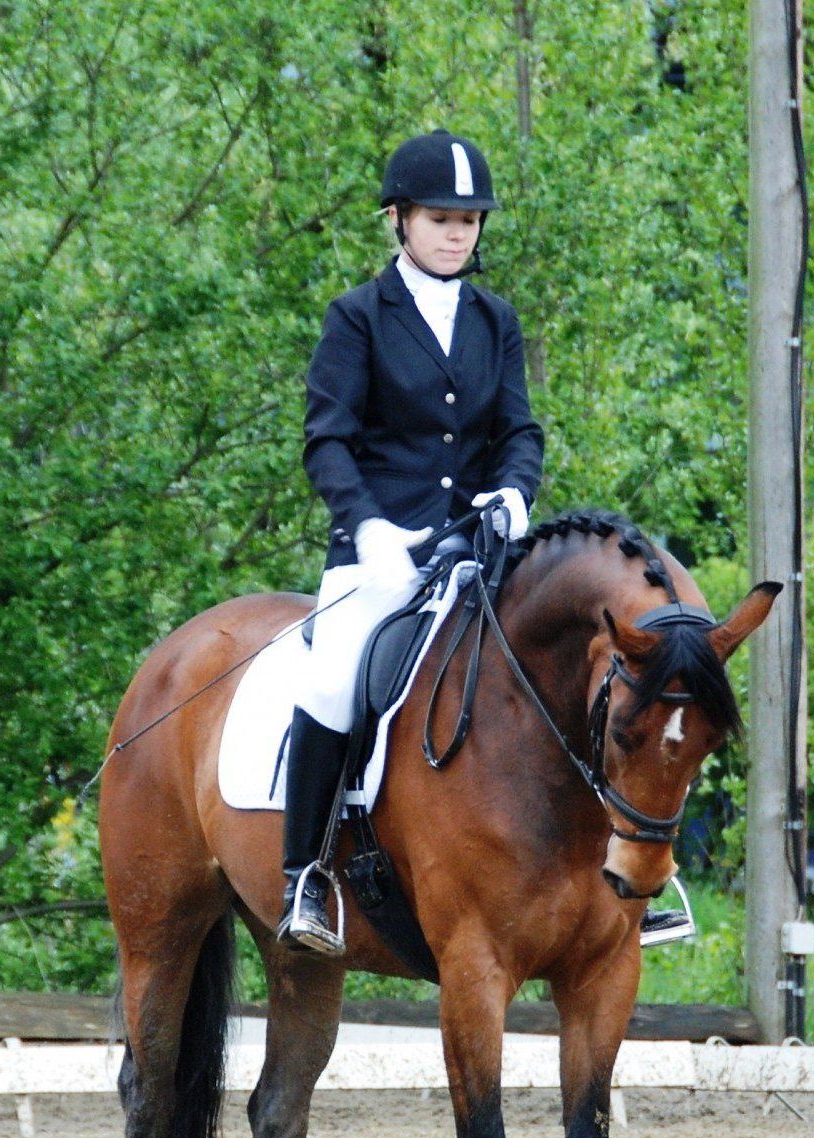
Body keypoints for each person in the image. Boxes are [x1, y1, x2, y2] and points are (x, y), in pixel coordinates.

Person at [279, 129, 541, 953]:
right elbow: (327, 439)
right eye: (439, 217)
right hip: (379, 554)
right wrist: (368, 526)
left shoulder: (496, 320)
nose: (457, 232)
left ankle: (627, 872)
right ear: (399, 219)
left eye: (470, 219)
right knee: (333, 677)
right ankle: (305, 882)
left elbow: (519, 430)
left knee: (570, 661)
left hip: (477, 553)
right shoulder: (357, 317)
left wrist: (514, 490)